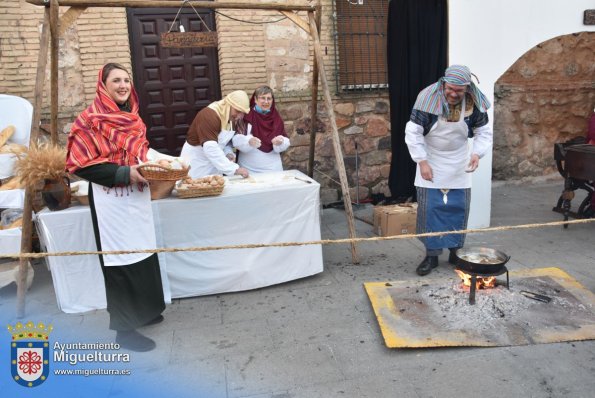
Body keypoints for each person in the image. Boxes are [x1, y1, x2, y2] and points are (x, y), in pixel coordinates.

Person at [66, 63, 165, 351]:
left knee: (143, 253)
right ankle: (125, 330)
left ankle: (145, 311)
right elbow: (79, 165)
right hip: (111, 202)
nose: (123, 85)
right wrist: (123, 174)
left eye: (126, 80)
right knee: (120, 261)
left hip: (136, 197)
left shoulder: (131, 117)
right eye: (116, 80)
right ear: (103, 85)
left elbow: (141, 153)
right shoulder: (89, 120)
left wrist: (166, 162)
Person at [405, 65, 493, 276]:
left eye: (459, 91)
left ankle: (455, 253)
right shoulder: (426, 99)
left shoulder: (474, 104)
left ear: (467, 89)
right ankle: (431, 256)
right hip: (431, 158)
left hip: (458, 160)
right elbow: (413, 132)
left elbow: (483, 131)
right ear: (443, 84)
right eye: (450, 89)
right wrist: (422, 161)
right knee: (431, 210)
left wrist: (477, 153)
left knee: (458, 207)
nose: (454, 94)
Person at [181, 91, 251, 179]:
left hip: (215, 164)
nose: (239, 116)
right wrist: (234, 169)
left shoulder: (232, 119)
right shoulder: (209, 115)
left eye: (243, 113)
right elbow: (210, 147)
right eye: (237, 111)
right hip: (197, 163)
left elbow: (222, 142)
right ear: (228, 104)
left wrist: (227, 153)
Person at [232, 86, 290, 173]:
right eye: (263, 98)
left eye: (269, 98)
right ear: (255, 99)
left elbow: (285, 139)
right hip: (249, 169)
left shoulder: (276, 118)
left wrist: (281, 141)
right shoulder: (246, 116)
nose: (266, 102)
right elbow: (236, 139)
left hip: (273, 169)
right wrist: (248, 141)